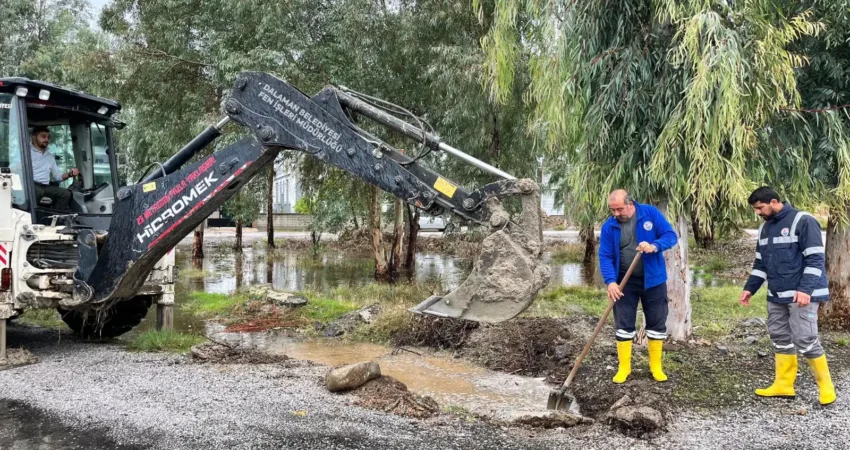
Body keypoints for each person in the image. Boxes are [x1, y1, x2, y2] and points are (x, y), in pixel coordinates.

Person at [740, 186, 835, 405]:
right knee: (779, 337)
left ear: (774, 202)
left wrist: (805, 290)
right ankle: (783, 385)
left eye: (760, 208)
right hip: (777, 294)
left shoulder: (803, 221)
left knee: (805, 339)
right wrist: (749, 288)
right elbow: (760, 264)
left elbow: (815, 260)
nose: (758, 213)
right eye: (756, 209)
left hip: (803, 294)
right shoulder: (765, 229)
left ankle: (826, 387)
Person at [599, 190, 678, 384]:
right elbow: (605, 256)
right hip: (624, 283)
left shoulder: (649, 214)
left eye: (619, 209)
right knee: (624, 325)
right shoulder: (609, 226)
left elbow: (670, 235)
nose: (616, 214)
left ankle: (656, 367)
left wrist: (654, 245)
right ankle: (624, 368)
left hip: (654, 280)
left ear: (630, 203)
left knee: (656, 323)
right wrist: (610, 282)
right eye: (612, 210)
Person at [30, 126, 78, 210]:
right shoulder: (25, 152)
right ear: (34, 137)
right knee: (38, 192)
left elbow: (58, 177)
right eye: (43, 136)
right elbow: (13, 169)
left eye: (48, 137)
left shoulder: (50, 156)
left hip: (45, 186)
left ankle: (55, 218)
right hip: (30, 184)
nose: (46, 140)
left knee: (66, 194)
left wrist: (70, 174)